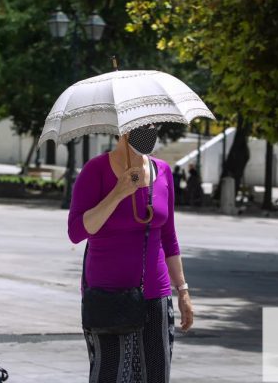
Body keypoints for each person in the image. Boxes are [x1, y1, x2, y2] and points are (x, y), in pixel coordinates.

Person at [68, 125, 194, 383]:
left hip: (155, 294)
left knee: (155, 375)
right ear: (122, 130)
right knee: (110, 375)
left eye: (153, 125)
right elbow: (77, 232)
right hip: (108, 294)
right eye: (142, 125)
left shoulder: (163, 171)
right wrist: (117, 194)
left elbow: (169, 236)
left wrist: (182, 290)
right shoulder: (96, 170)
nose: (150, 131)